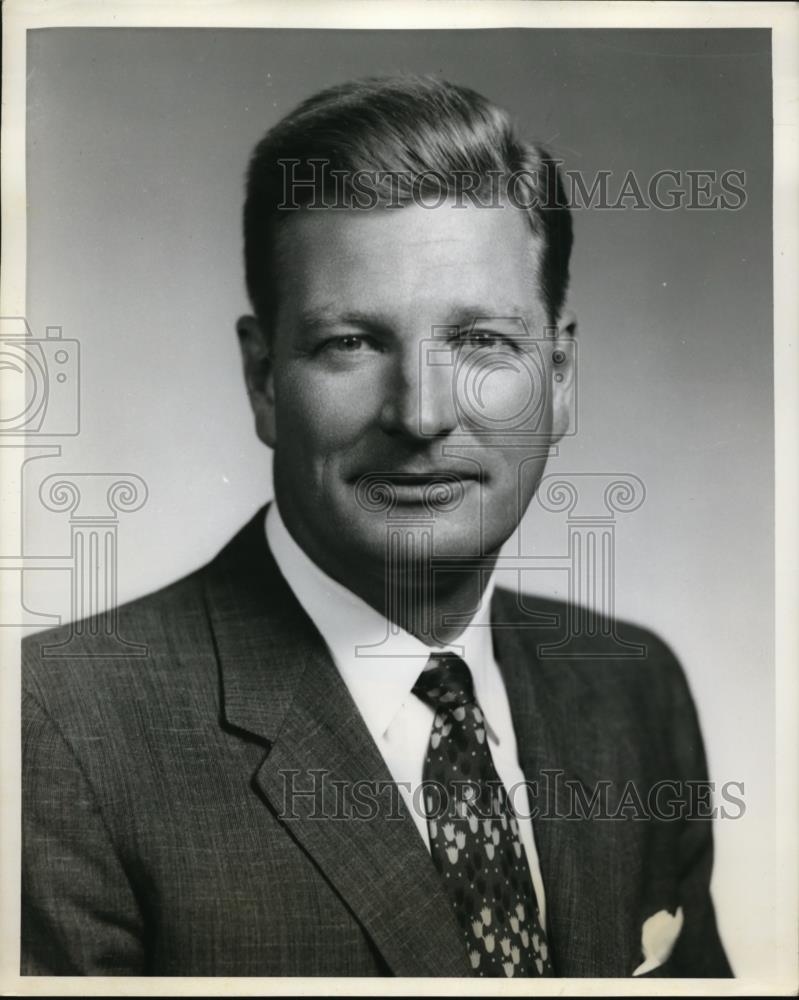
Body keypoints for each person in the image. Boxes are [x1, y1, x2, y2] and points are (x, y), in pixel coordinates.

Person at [21, 75, 732, 978]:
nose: (423, 414)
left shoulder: (634, 691)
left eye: (481, 341)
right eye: (351, 343)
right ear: (264, 381)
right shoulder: (54, 733)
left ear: (558, 380)